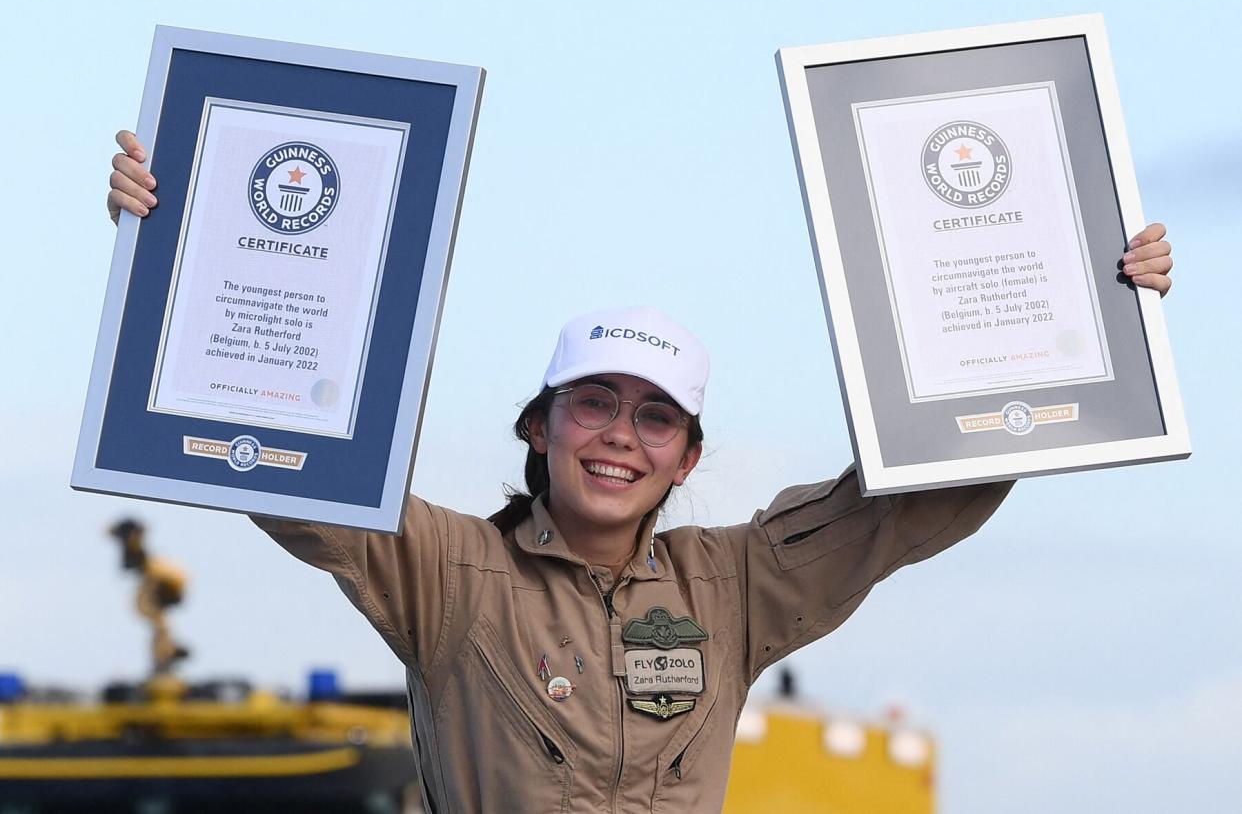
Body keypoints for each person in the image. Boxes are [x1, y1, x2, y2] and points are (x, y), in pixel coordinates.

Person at [107, 130, 1174, 813]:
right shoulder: (445, 572)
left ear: (689, 459)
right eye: (597, 403)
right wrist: (176, 249)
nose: (622, 435)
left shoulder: (740, 582)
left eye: (657, 418)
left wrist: (1089, 306)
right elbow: (280, 471)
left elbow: (921, 488)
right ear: (540, 424)